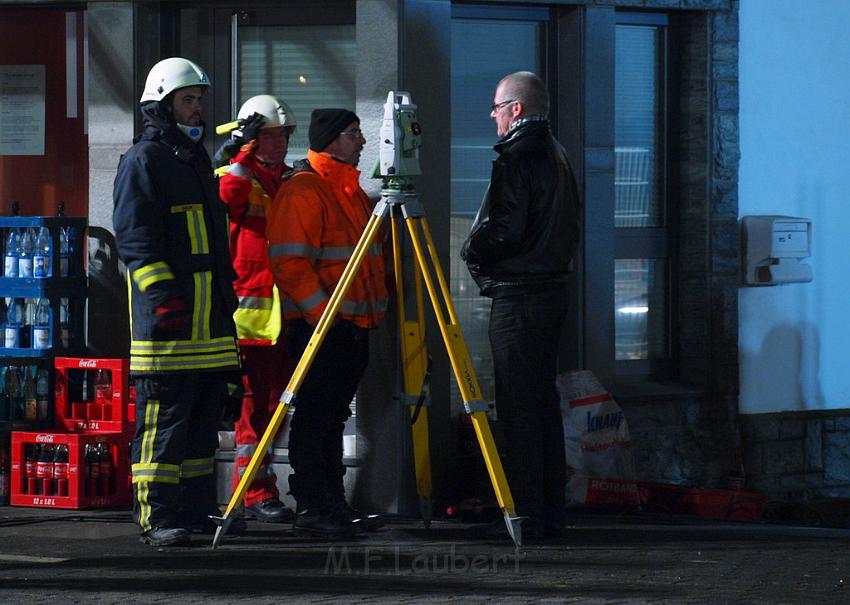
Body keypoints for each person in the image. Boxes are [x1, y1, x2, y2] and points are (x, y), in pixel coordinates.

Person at [113, 57, 244, 546]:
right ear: (164, 106)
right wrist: (164, 298)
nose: (197, 110)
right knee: (163, 430)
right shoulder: (144, 160)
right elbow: (135, 239)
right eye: (188, 100)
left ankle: (193, 510)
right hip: (168, 331)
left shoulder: (192, 163)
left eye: (200, 100)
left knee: (200, 430)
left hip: (208, 329)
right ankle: (156, 517)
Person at [460, 71, 581, 539]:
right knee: (542, 406)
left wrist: (472, 250)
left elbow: (507, 227)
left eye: (495, 107)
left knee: (518, 410)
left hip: (520, 293)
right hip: (550, 290)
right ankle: (548, 512)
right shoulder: (558, 153)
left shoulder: (518, 154)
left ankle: (522, 515)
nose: (491, 116)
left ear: (515, 109)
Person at [266, 108, 388, 537]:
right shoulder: (305, 190)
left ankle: (330, 502)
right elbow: (289, 262)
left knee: (331, 417)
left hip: (350, 326)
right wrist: (325, 319)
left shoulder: (349, 191)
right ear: (332, 140)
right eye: (354, 134)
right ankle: (315, 505)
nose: (363, 141)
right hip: (322, 329)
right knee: (317, 417)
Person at [215, 95, 297, 523]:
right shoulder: (237, 175)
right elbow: (228, 198)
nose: (279, 142)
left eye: (283, 134)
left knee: (275, 408)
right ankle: (252, 493)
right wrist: (242, 155)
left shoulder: (289, 179)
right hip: (251, 321)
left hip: (287, 315)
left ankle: (258, 489)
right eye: (270, 135)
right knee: (255, 410)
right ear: (251, 138)